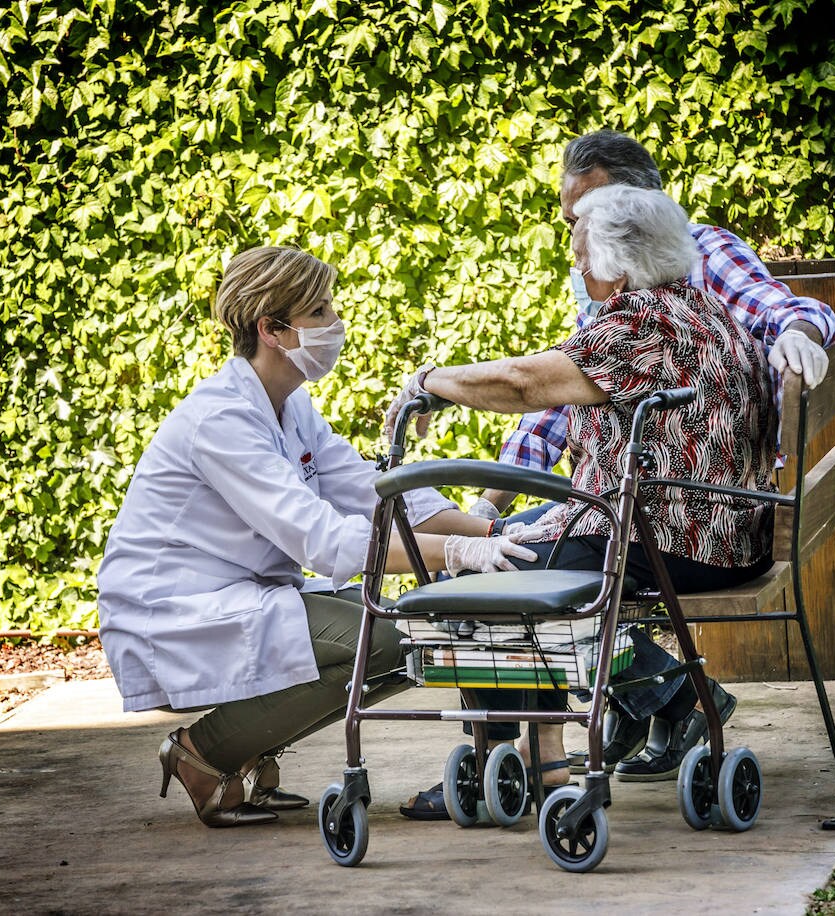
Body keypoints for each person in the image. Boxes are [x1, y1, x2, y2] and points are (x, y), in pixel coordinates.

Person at [96, 246, 536, 828]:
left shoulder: (291, 404)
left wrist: (492, 531)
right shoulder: (221, 420)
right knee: (401, 632)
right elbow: (325, 542)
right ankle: (204, 754)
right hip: (175, 609)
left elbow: (379, 494)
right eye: (321, 311)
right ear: (272, 329)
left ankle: (241, 749)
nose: (336, 324)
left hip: (249, 594)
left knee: (420, 623)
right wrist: (459, 553)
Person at [385, 184, 779, 818]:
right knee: (507, 541)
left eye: (580, 251)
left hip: (672, 534)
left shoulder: (642, 323)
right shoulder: (703, 312)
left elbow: (522, 384)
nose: (574, 264)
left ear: (619, 262)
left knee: (494, 564)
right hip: (717, 529)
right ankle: (539, 748)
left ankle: (512, 762)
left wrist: (427, 380)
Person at [465, 130, 835, 784]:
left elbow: (781, 310)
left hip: (680, 524)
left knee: (498, 571)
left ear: (633, 199)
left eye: (585, 215)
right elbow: (573, 392)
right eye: (570, 222)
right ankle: (640, 703)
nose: (575, 235)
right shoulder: (615, 282)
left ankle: (521, 760)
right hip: (686, 520)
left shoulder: (698, 258)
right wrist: (490, 500)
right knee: (495, 546)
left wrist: (799, 336)